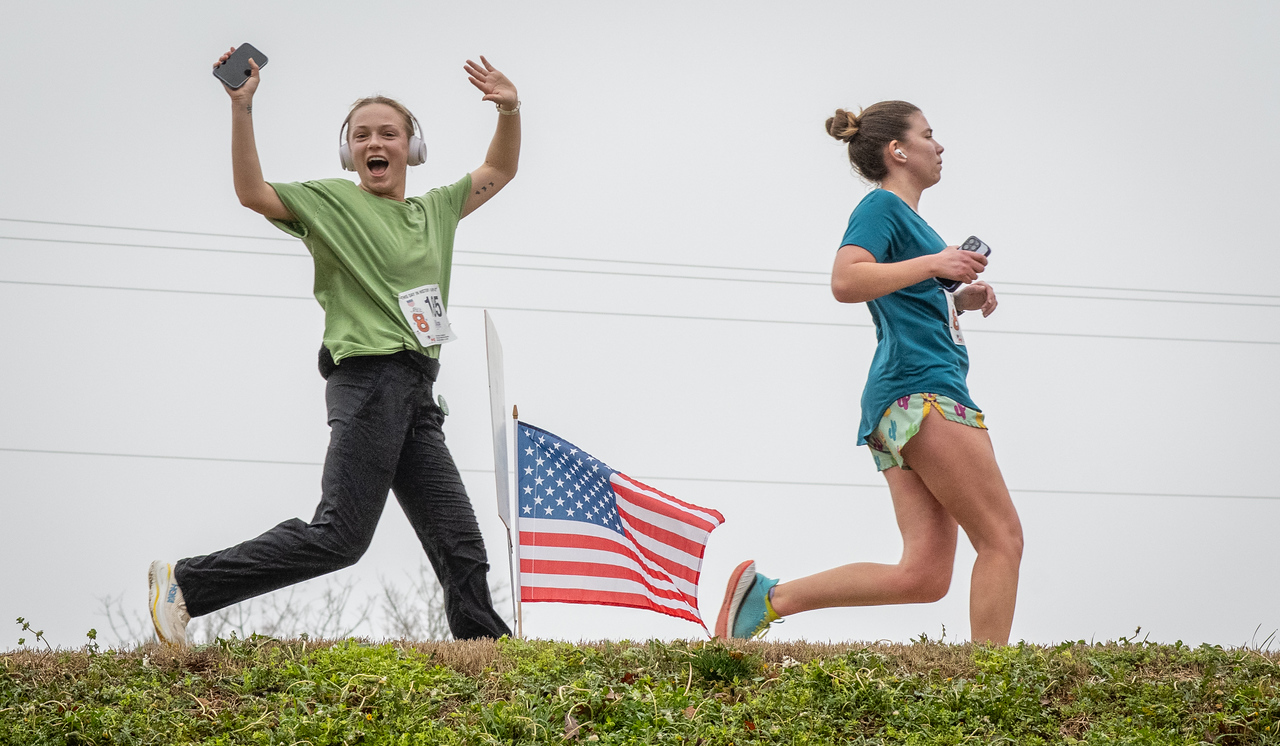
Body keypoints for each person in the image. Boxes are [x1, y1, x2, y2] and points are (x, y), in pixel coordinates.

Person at [147, 47, 522, 646]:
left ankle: (491, 658)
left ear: (411, 148)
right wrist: (242, 109)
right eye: (362, 134)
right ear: (350, 152)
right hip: (371, 381)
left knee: (461, 543)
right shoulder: (331, 201)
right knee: (339, 538)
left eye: (390, 133)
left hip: (418, 393)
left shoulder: (438, 210)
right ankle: (186, 585)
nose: (377, 143)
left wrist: (510, 109)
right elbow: (252, 192)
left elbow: (499, 170)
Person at [715, 101, 1023, 645]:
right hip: (923, 392)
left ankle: (769, 598)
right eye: (929, 135)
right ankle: (992, 690)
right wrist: (936, 264)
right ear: (897, 151)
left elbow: (899, 296)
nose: (940, 145)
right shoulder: (881, 207)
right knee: (1002, 539)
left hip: (901, 399)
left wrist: (959, 297)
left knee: (924, 575)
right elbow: (847, 279)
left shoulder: (913, 224)